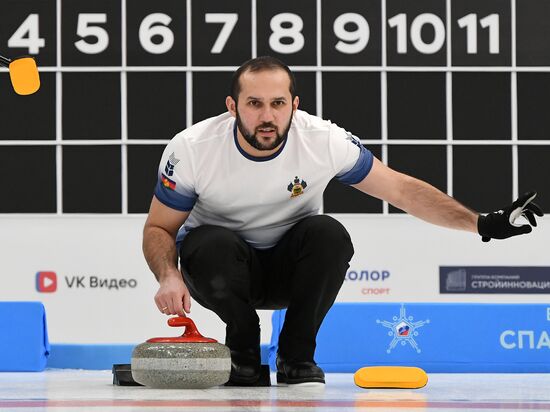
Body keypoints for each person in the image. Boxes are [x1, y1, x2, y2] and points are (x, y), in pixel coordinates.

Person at [142, 56, 543, 386]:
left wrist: (482, 224)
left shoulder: (323, 141)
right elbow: (159, 228)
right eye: (254, 103)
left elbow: (400, 190)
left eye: (278, 104)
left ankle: (296, 358)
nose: (267, 116)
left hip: (289, 272)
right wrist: (168, 275)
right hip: (221, 272)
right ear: (233, 107)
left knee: (328, 234)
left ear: (295, 106)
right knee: (209, 242)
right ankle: (243, 352)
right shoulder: (193, 149)